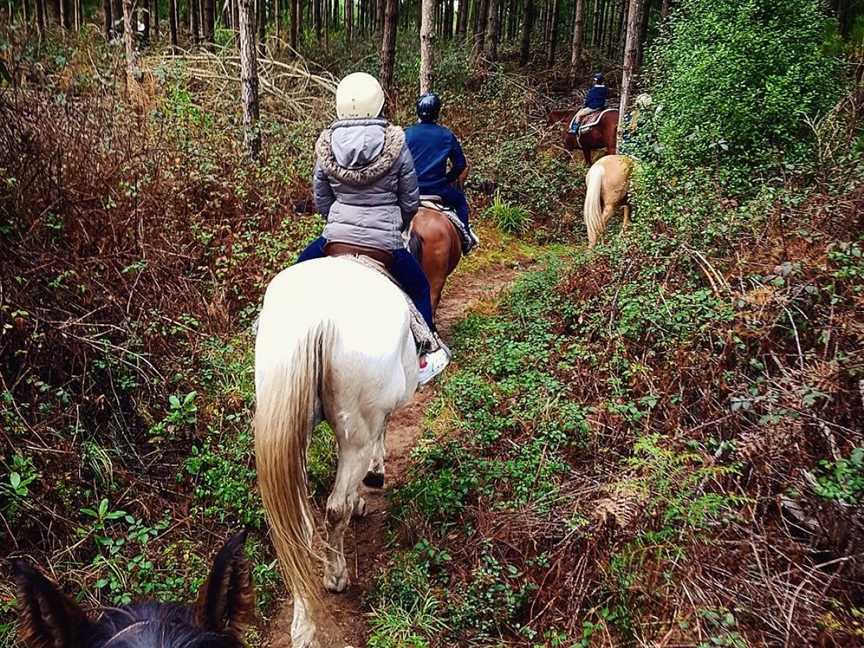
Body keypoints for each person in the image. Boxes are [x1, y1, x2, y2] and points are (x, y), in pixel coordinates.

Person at [295, 72, 450, 384]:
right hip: (384, 243)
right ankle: (425, 352)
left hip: (335, 239)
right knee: (420, 286)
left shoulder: (325, 146)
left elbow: (322, 199)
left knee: (296, 273)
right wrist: (401, 225)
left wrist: (337, 224)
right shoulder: (396, 143)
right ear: (379, 103)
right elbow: (410, 199)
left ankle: (272, 325)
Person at [405, 93, 479, 253]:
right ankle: (466, 237)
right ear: (437, 112)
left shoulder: (407, 133)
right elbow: (460, 164)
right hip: (438, 189)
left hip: (409, 190)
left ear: (417, 111)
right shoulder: (446, 135)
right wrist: (447, 179)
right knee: (460, 203)